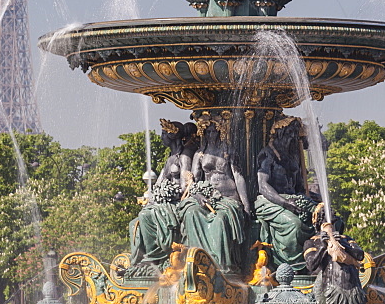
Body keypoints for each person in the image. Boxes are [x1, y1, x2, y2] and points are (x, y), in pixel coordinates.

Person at [178, 115, 250, 275]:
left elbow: (238, 177)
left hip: (228, 198)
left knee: (220, 220)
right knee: (191, 213)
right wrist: (197, 196)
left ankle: (222, 265)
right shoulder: (199, 154)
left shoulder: (228, 151)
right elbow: (194, 181)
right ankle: (198, 261)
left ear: (220, 132)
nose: (211, 135)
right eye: (207, 131)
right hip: (207, 197)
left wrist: (246, 205)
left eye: (214, 131)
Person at [129, 121, 199, 269]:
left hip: (178, 200)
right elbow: (160, 183)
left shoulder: (185, 156)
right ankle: (139, 259)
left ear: (173, 135)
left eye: (164, 133)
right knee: (136, 221)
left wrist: (166, 194)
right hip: (167, 199)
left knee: (145, 215)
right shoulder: (170, 158)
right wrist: (156, 195)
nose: (162, 137)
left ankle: (153, 257)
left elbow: (185, 185)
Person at [254, 117, 316, 273]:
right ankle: (291, 268)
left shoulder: (293, 156)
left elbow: (299, 187)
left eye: (295, 133)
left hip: (291, 198)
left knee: (323, 217)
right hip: (269, 200)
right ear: (280, 133)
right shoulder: (268, 154)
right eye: (289, 132)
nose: (292, 137)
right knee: (294, 225)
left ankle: (316, 263)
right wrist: (285, 203)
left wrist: (309, 202)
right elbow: (263, 186)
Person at [304, 206, 366, 304]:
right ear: (321, 217)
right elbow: (310, 265)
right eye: (329, 211)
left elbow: (360, 255)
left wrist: (344, 245)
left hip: (354, 291)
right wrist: (323, 247)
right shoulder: (312, 242)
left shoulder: (345, 238)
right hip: (332, 292)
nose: (333, 212)